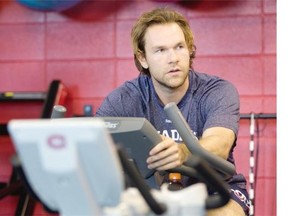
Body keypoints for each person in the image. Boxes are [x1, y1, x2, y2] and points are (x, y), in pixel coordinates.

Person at [96, 7, 250, 216]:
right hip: (150, 195)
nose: (173, 58)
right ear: (143, 59)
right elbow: (94, 146)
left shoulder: (217, 91)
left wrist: (183, 152)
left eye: (179, 47)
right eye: (160, 50)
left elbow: (220, 144)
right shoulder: (124, 99)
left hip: (216, 190)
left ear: (190, 50)